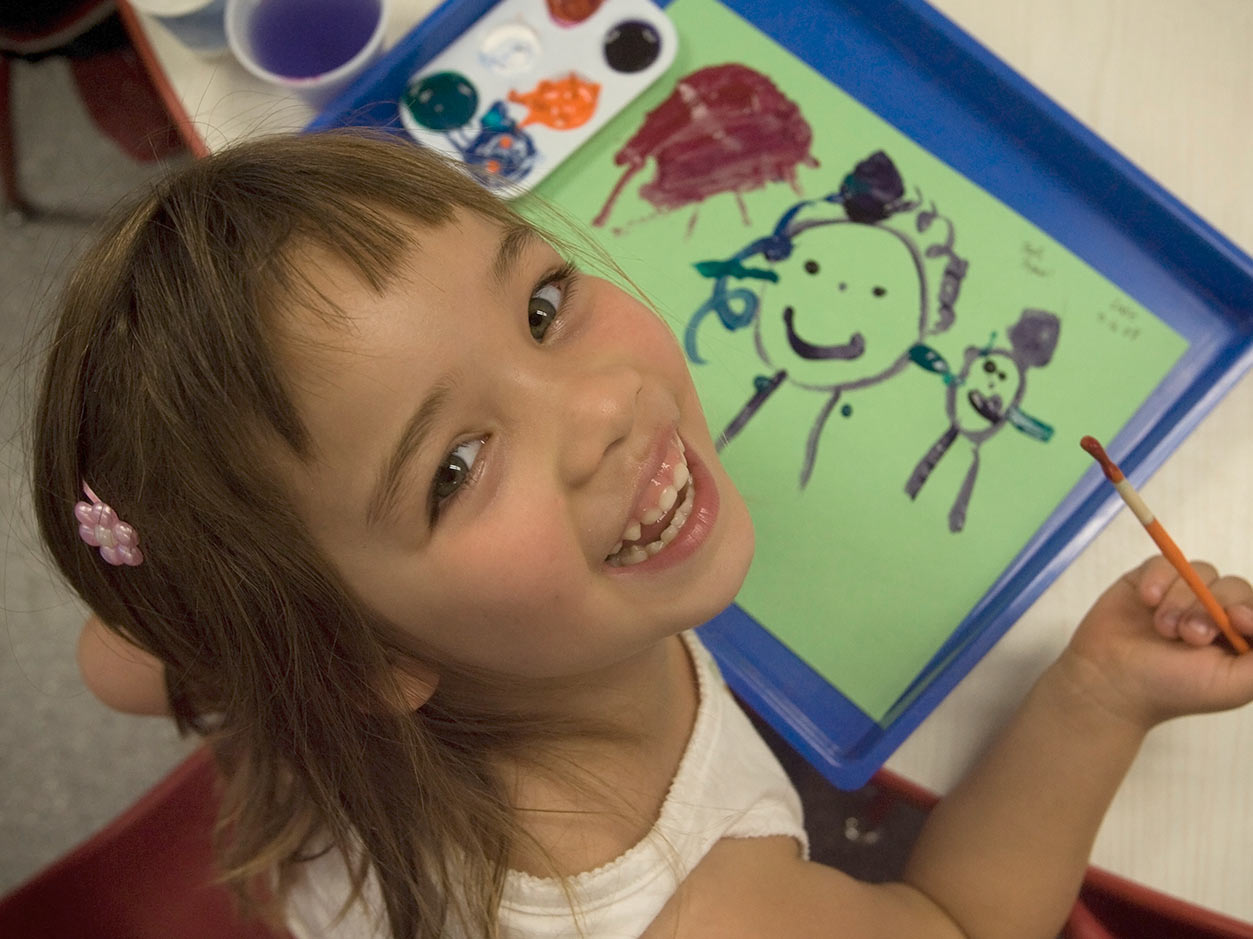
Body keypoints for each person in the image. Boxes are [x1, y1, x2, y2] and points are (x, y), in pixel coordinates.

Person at [33, 130, 1253, 939]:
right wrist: (1093, 693)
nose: (606, 406)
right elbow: (961, 924)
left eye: (543, 304)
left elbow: (111, 657)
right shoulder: (719, 911)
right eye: (454, 467)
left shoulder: (263, 645)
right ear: (353, 658)